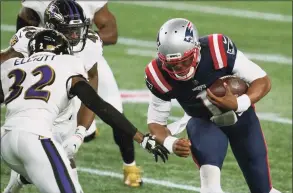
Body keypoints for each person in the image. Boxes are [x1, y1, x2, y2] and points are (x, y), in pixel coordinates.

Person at [0, 29, 168, 193]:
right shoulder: (67, 63)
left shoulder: (10, 66)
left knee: (48, 171)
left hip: (6, 143)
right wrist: (142, 138)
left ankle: (18, 182)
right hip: (36, 139)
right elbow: (99, 105)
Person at [144, 18, 281, 193]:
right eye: (172, 64)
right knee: (210, 189)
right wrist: (171, 142)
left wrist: (239, 103)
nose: (179, 69)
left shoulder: (217, 49)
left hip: (240, 118)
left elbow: (262, 80)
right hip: (203, 123)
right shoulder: (157, 74)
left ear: (196, 49)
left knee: (263, 190)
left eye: (185, 61)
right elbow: (156, 123)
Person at [16, 0, 142, 186]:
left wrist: (78, 39)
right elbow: (22, 25)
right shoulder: (37, 3)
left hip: (82, 55)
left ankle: (130, 166)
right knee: (44, 114)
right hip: (49, 60)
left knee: (113, 107)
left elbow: (112, 34)